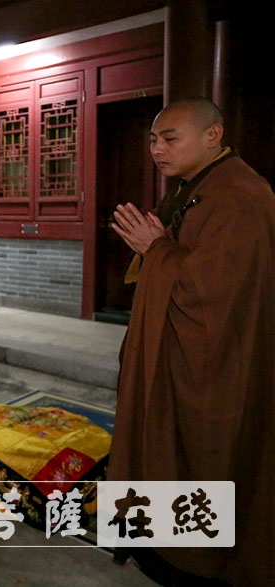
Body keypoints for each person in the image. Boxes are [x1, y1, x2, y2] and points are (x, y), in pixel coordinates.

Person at [108, 97, 275, 586]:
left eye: (170, 138)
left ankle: (200, 561)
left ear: (213, 135)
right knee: (165, 447)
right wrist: (158, 251)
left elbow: (215, 296)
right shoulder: (195, 187)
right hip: (179, 354)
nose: (157, 149)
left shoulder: (241, 197)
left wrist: (156, 250)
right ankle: (163, 544)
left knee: (202, 453)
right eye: (153, 139)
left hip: (215, 365)